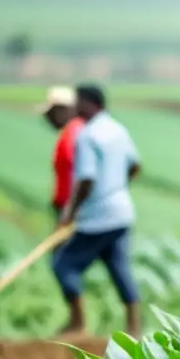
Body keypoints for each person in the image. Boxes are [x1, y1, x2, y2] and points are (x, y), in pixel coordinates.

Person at [53, 84, 143, 336]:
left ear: (89, 104)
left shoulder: (88, 135)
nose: (74, 107)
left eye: (77, 102)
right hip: (122, 212)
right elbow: (135, 166)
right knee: (119, 267)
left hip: (97, 217)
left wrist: (70, 212)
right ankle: (134, 328)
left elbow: (86, 179)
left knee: (63, 265)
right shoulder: (118, 129)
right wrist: (117, 186)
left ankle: (78, 323)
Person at [36, 85, 85, 242]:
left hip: (70, 207)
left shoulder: (73, 132)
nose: (48, 119)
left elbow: (81, 172)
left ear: (64, 110)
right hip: (68, 206)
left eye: (51, 114)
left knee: (63, 262)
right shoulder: (72, 131)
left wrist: (71, 212)